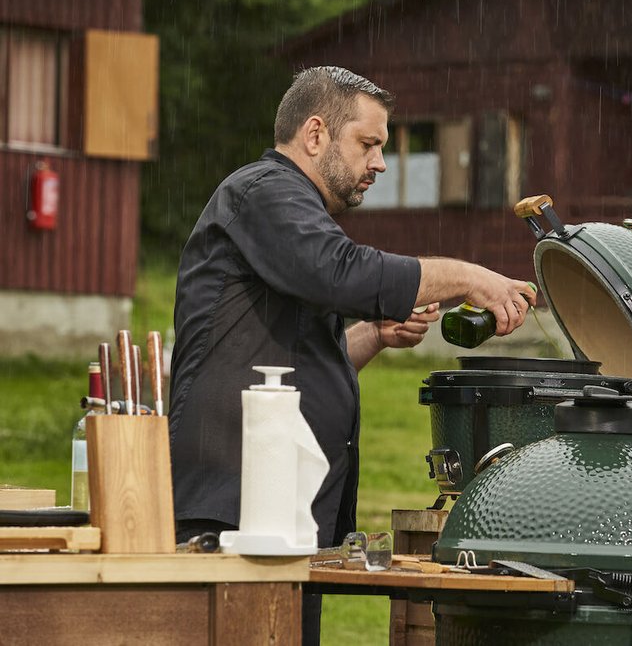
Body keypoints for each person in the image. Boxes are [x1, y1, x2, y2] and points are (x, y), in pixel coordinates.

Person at [167, 66, 535, 643]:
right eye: (369, 144)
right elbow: (340, 271)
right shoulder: (265, 192)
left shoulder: (295, 216)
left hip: (276, 515)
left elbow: (298, 357)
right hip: (230, 513)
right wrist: (467, 276)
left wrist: (375, 336)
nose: (381, 164)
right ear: (315, 135)